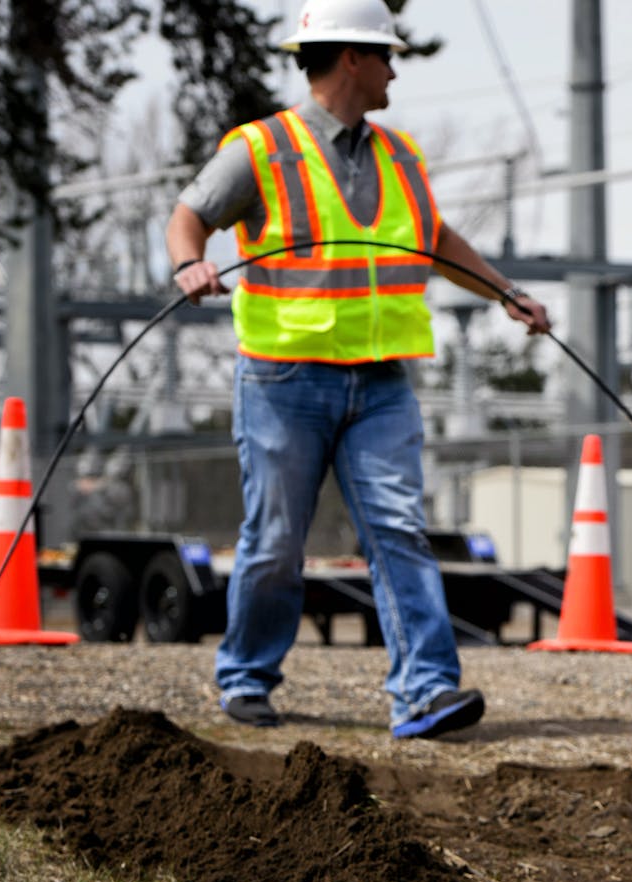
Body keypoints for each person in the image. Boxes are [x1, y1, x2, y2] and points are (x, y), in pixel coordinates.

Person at [165, 0, 550, 738]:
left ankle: (426, 693)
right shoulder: (262, 148)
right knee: (276, 539)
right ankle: (247, 677)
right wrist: (190, 264)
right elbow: (190, 215)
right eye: (386, 57)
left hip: (380, 382)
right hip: (284, 379)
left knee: (400, 530)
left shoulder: (400, 155)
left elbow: (433, 238)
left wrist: (508, 293)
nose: (394, 70)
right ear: (351, 59)